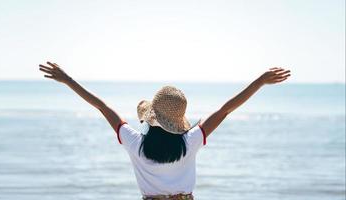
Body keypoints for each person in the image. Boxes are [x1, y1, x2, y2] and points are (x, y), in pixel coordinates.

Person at [39, 62, 291, 200]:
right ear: (178, 120)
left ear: (151, 116)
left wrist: (67, 79)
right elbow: (225, 109)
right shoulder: (190, 141)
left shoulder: (134, 142)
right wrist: (260, 81)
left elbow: (101, 106)